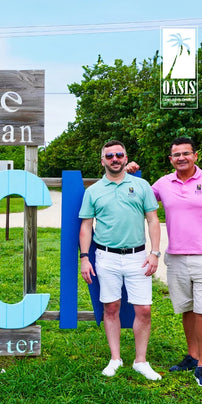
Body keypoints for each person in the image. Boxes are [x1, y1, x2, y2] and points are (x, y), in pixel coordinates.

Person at [151, 137, 202, 388]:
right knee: (186, 309)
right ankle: (192, 355)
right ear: (170, 159)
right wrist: (131, 170)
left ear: (195, 156)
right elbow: (140, 197)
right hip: (176, 256)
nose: (181, 158)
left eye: (186, 153)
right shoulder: (164, 183)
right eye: (176, 155)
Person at [79, 140, 163, 381]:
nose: (114, 159)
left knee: (144, 309)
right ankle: (115, 358)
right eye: (110, 156)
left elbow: (153, 220)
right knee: (111, 307)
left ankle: (141, 361)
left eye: (119, 154)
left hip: (138, 257)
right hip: (106, 257)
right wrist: (85, 258)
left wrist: (154, 252)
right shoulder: (93, 191)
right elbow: (86, 226)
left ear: (126, 158)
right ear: (102, 161)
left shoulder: (141, 185)